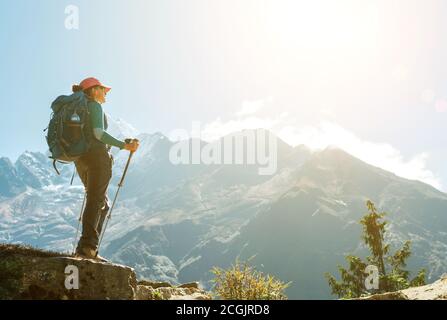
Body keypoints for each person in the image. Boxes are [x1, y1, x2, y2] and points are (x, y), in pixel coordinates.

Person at [72, 77, 139, 261]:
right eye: (103, 89)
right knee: (96, 200)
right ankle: (88, 247)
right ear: (94, 90)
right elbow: (98, 134)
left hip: (80, 160)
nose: (106, 93)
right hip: (97, 159)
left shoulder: (78, 109)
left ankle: (84, 247)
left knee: (100, 202)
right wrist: (123, 145)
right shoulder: (94, 106)